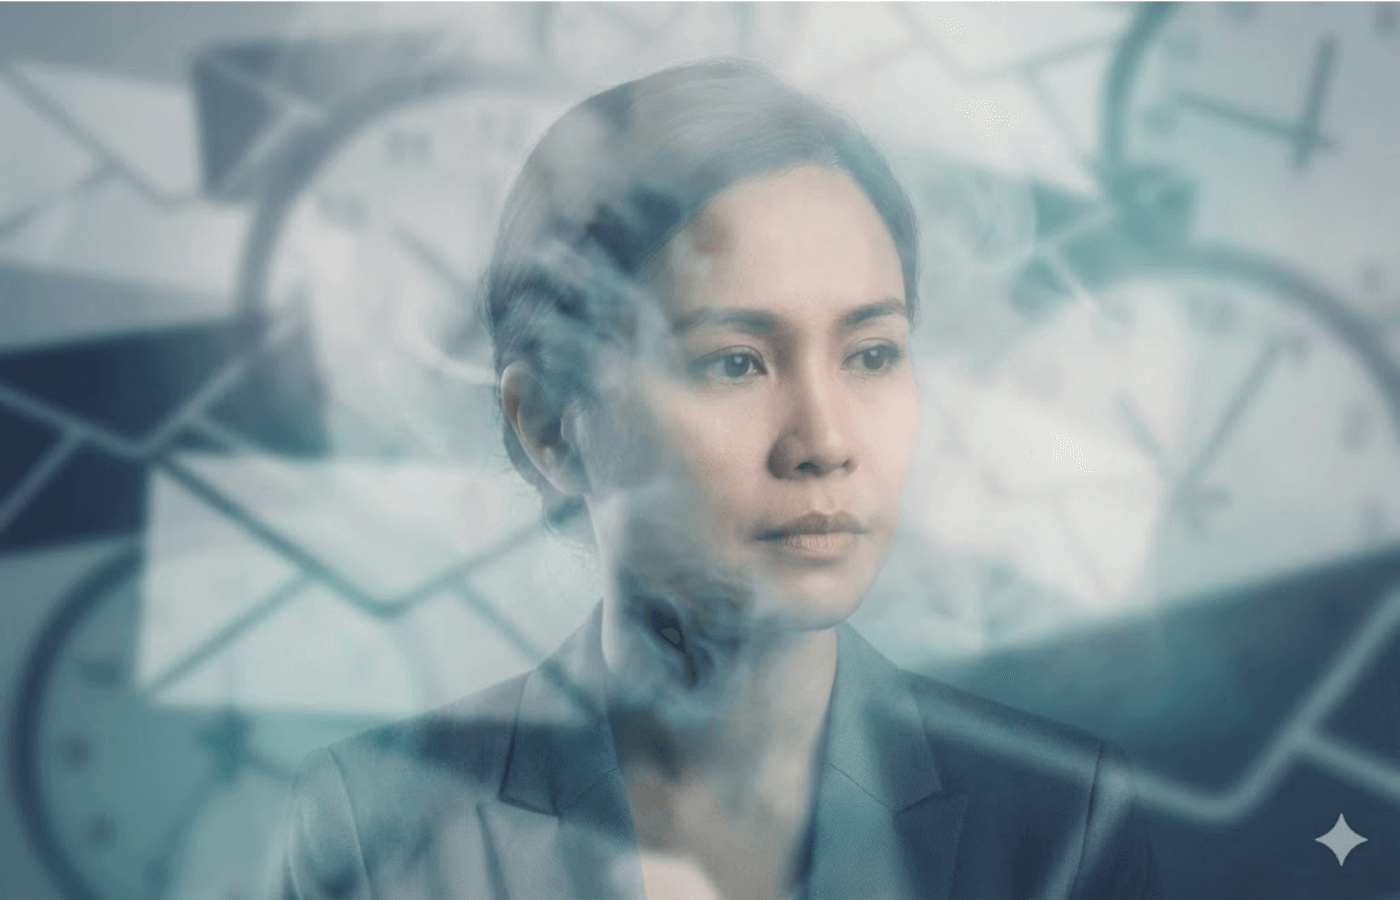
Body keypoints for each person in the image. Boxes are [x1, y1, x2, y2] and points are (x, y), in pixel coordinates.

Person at [276, 58, 1163, 900]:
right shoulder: (370, 828)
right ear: (552, 427)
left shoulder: (1059, 823)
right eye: (735, 363)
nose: (824, 440)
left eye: (872, 353)